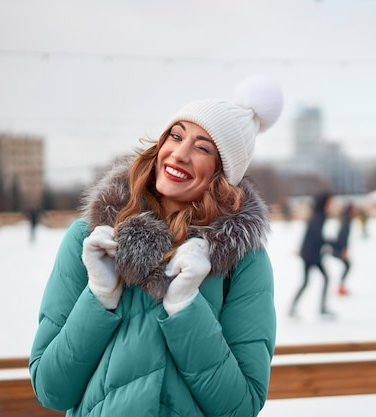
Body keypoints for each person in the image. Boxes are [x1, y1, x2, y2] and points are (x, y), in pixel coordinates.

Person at [29, 75, 283, 417]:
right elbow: (51, 389)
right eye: (176, 136)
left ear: (224, 173)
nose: (179, 154)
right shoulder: (90, 239)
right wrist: (98, 297)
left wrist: (187, 307)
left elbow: (240, 407)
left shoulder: (242, 261)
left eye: (202, 147)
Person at [289, 192, 335, 317]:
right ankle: (295, 308)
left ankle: (319, 307)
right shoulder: (318, 216)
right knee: (308, 281)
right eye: (331, 202)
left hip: (312, 254)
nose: (332, 205)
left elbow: (308, 234)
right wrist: (331, 242)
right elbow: (316, 235)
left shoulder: (319, 215)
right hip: (311, 256)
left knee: (312, 280)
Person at [331, 201, 356, 295]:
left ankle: (341, 286)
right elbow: (343, 235)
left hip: (338, 247)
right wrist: (344, 249)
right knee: (347, 265)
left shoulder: (345, 218)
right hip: (339, 248)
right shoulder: (346, 220)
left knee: (347, 266)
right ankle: (340, 287)